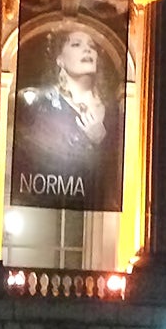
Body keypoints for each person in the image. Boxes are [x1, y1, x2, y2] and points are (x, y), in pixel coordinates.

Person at [12, 26, 123, 211]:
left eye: (92, 46)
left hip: (99, 208)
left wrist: (101, 140)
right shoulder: (38, 103)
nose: (87, 50)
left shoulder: (115, 111)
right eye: (76, 44)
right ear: (60, 60)